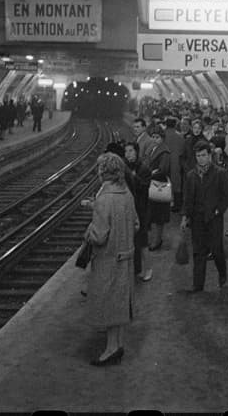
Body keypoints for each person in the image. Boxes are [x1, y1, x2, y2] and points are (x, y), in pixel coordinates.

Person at [84, 152, 139, 366]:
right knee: (119, 305)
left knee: (108, 306)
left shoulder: (104, 198)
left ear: (103, 172)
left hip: (108, 261)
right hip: (126, 258)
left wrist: (88, 232)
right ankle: (118, 345)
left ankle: (110, 350)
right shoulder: (127, 194)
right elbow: (136, 224)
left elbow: (99, 236)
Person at [181, 140, 228, 291]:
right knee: (198, 251)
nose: (201, 158)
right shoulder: (191, 176)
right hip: (197, 218)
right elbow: (188, 198)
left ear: (209, 156)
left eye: (203, 155)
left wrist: (218, 210)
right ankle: (198, 284)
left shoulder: (220, 173)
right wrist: (185, 216)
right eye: (198, 156)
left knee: (216, 250)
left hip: (214, 218)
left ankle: (222, 273)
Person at [123, 141, 153, 282]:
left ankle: (148, 269)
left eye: (131, 151)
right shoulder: (125, 168)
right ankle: (136, 269)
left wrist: (134, 177)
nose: (128, 154)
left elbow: (144, 188)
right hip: (129, 209)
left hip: (141, 210)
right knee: (131, 241)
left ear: (136, 152)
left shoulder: (144, 168)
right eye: (126, 151)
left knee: (142, 241)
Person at [146, 128, 171, 251]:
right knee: (154, 215)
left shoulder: (164, 152)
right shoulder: (154, 149)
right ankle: (155, 239)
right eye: (153, 137)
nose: (155, 139)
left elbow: (163, 170)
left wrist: (150, 173)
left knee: (158, 216)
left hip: (159, 186)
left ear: (162, 138)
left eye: (157, 137)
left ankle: (157, 240)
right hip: (154, 185)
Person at [163, 117, 186, 212]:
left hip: (164, 161)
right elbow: (183, 150)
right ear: (175, 124)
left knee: (163, 182)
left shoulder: (163, 135)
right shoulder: (180, 136)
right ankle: (177, 205)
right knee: (176, 185)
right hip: (176, 162)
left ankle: (164, 204)